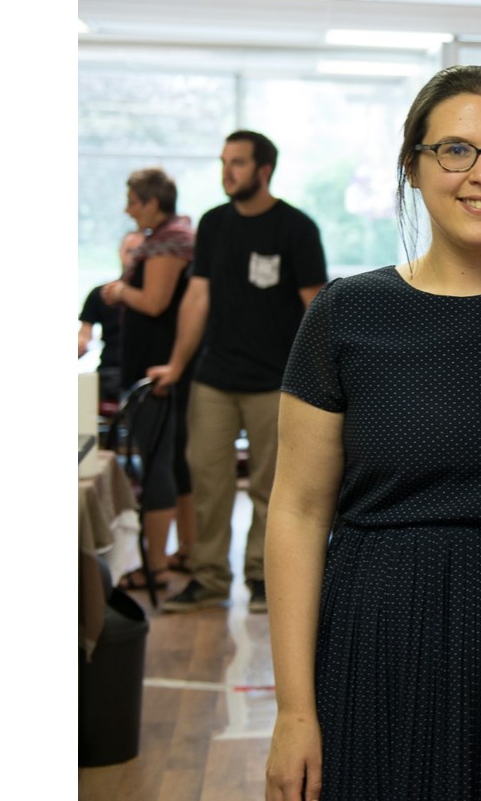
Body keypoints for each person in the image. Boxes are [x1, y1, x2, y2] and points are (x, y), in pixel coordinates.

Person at [263, 66, 481, 800]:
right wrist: (294, 711)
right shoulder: (346, 313)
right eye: (455, 150)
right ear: (412, 166)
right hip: (376, 636)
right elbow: (297, 512)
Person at [154, 130, 327, 614]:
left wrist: (320, 378)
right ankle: (209, 579)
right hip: (214, 379)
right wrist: (177, 365)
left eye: (237, 163)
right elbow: (197, 297)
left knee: (272, 490)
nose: (226, 172)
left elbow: (315, 305)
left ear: (263, 170)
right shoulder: (214, 223)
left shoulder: (296, 227)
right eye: (224, 162)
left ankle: (262, 578)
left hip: (277, 383)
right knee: (209, 485)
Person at [100, 168, 197, 589]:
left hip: (156, 373)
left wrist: (120, 292)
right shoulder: (172, 237)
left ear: (153, 202)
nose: (128, 210)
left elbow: (155, 302)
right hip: (162, 371)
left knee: (157, 464)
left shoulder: (168, 242)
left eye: (133, 202)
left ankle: (155, 566)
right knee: (173, 462)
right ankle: (186, 551)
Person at [79, 230, 143, 401]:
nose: (133, 258)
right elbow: (84, 335)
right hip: (109, 372)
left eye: (139, 253)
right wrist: (81, 343)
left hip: (143, 373)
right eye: (129, 251)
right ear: (120, 252)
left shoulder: (156, 299)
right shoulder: (100, 294)